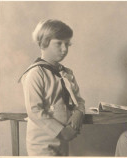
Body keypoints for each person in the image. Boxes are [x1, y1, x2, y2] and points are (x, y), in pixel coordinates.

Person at [19, 19, 85, 156]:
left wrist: (79, 112)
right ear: (44, 43)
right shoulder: (36, 73)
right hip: (41, 143)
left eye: (67, 44)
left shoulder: (67, 73)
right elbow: (34, 110)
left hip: (63, 142)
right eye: (59, 43)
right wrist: (61, 131)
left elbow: (79, 100)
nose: (64, 49)